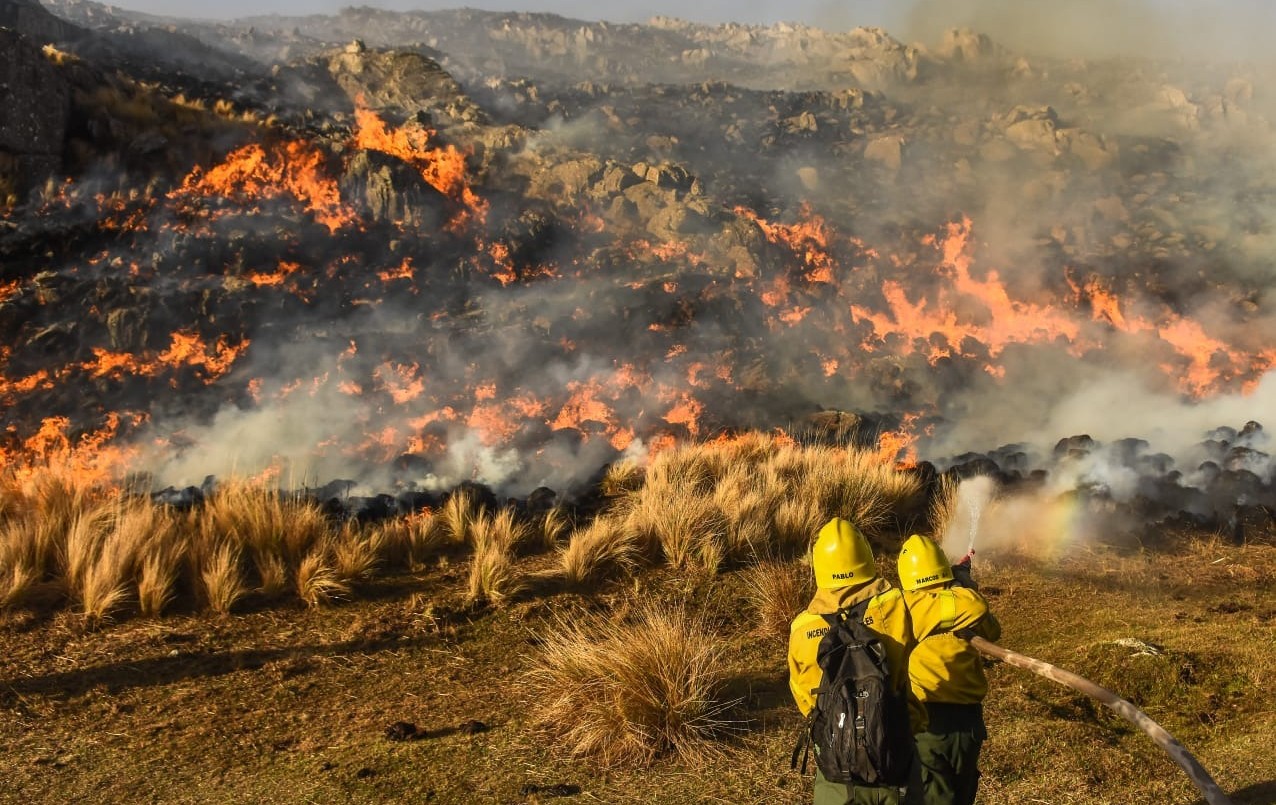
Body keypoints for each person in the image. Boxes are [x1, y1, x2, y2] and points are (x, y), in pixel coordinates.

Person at [788, 517, 925, 805]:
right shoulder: (896, 605)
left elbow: (805, 699)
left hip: (836, 769)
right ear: (866, 557)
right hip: (894, 758)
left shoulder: (802, 628)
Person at [897, 534, 1001, 805]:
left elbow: (991, 630)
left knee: (940, 792)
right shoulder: (961, 604)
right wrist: (960, 586)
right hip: (955, 720)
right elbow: (977, 609)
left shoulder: (903, 605)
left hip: (930, 719)